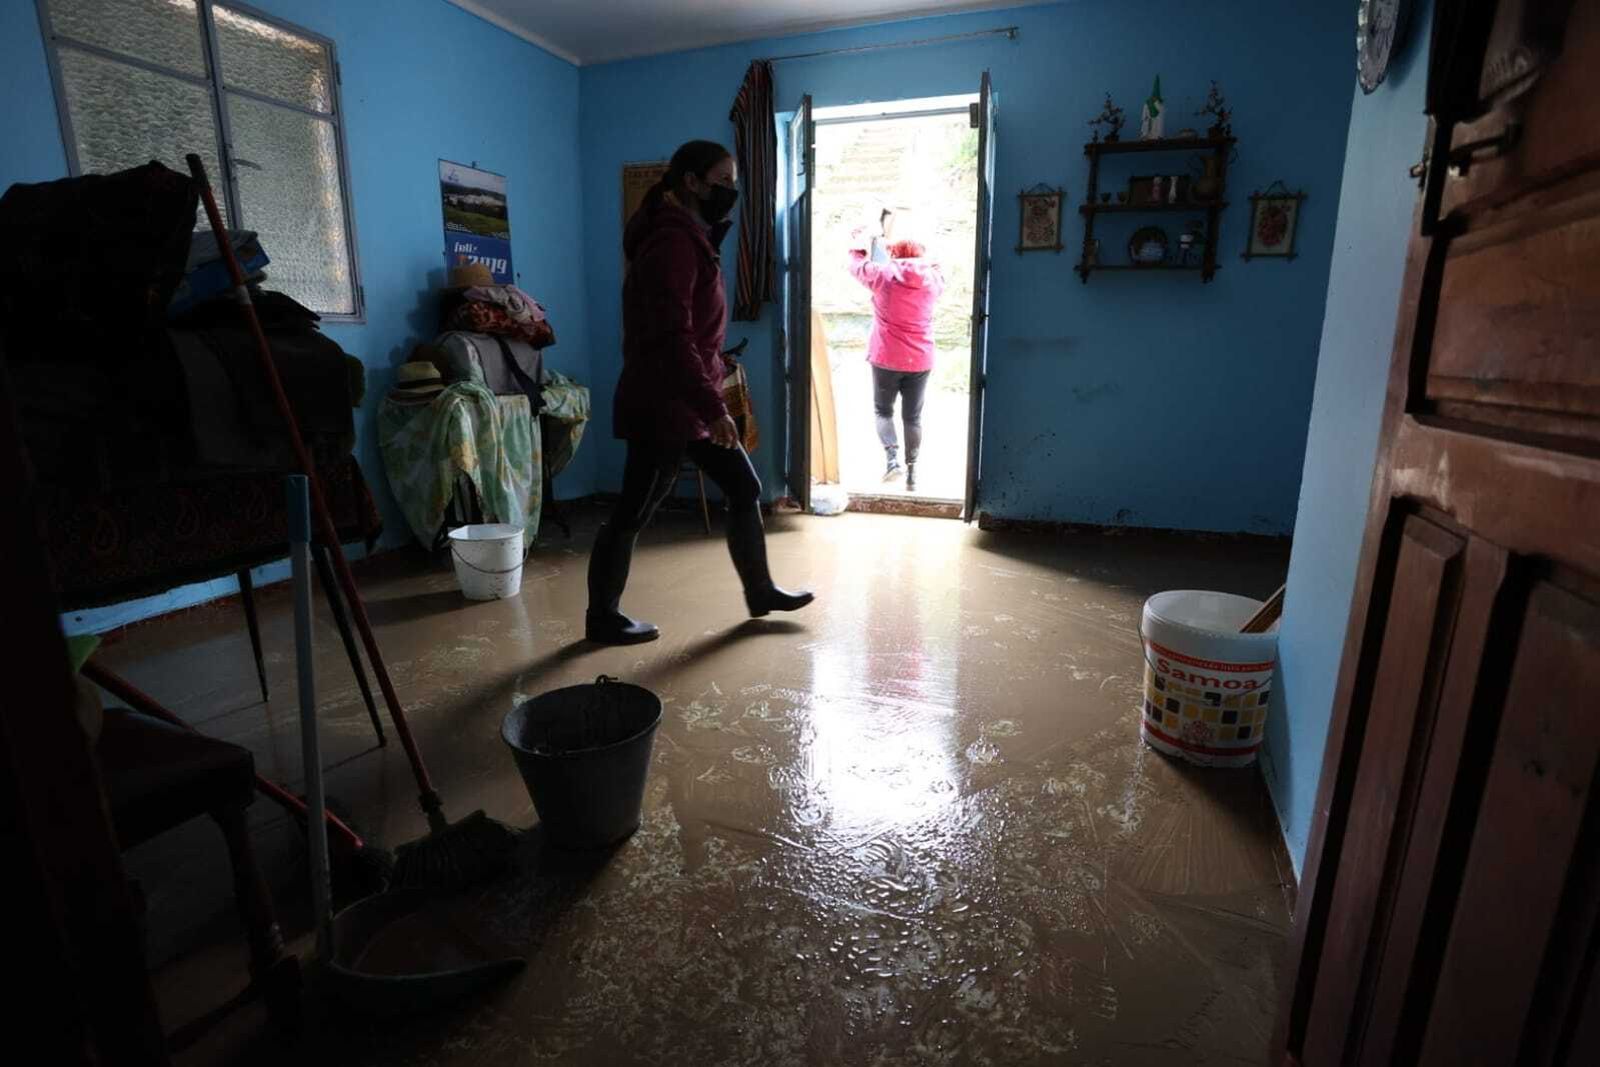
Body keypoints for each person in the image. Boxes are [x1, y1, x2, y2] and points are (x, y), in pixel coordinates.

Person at [587, 140, 814, 645]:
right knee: (633, 511)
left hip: (689, 396)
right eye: (723, 180)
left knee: (743, 488)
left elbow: (693, 330)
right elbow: (672, 337)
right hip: (663, 405)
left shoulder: (689, 234)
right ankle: (601, 617)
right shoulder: (671, 242)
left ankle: (761, 591)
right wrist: (715, 407)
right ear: (690, 182)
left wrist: (713, 374)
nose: (730, 191)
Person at [847, 233, 946, 492]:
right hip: (920, 359)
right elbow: (937, 264)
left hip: (886, 357)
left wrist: (860, 244)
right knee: (913, 417)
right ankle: (913, 472)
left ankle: (892, 462)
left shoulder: (882, 276)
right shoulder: (934, 280)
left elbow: (855, 265)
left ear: (893, 254)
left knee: (883, 411)